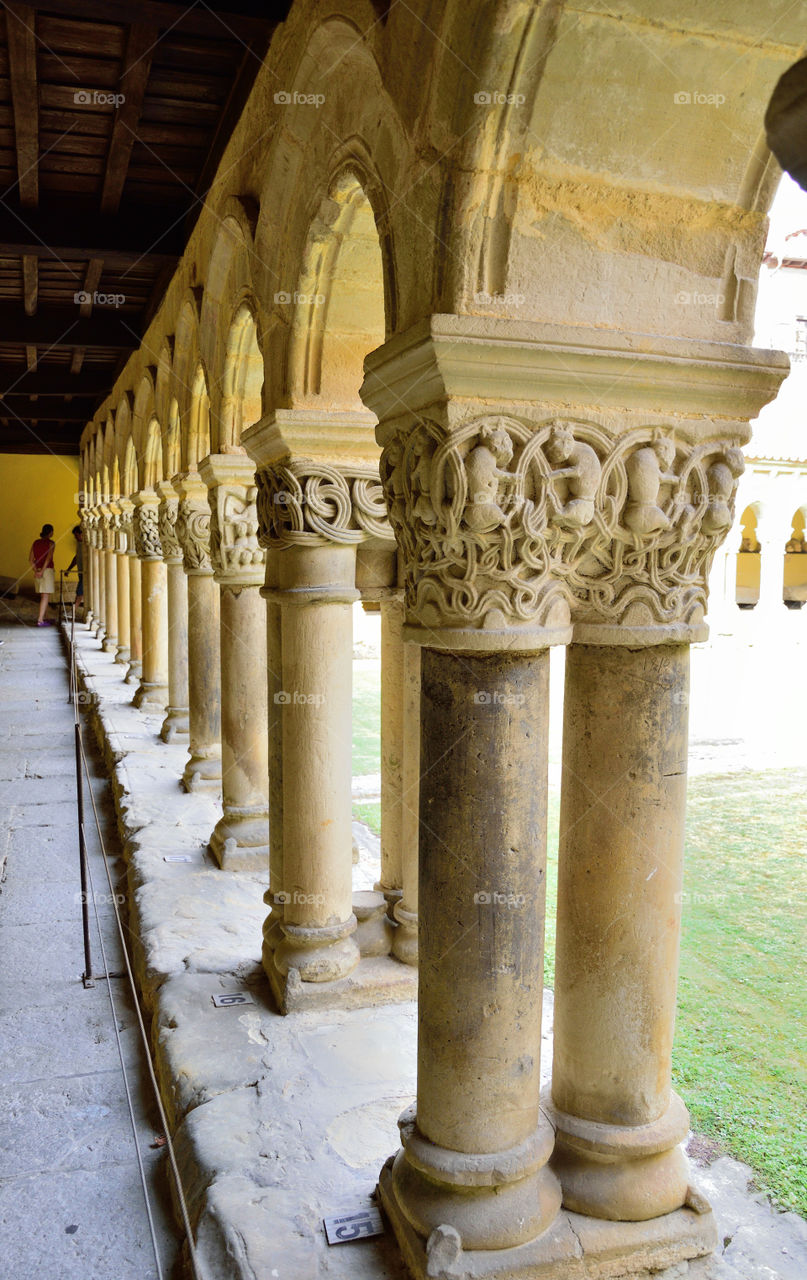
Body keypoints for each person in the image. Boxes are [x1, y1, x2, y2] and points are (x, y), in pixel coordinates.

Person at [29, 523, 55, 626]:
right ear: (51, 532)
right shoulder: (51, 543)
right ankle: (40, 620)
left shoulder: (35, 543)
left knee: (44, 595)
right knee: (45, 595)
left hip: (38, 570)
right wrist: (42, 571)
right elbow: (48, 559)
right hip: (47, 570)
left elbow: (31, 560)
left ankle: (46, 617)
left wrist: (36, 571)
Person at [66, 524, 84, 612]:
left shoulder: (86, 544)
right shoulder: (79, 544)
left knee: (80, 591)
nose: (75, 538)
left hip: (86, 572)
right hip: (80, 571)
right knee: (80, 591)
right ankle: (73, 610)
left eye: (76, 535)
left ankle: (73, 611)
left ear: (82, 534)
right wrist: (69, 569)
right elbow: (76, 558)